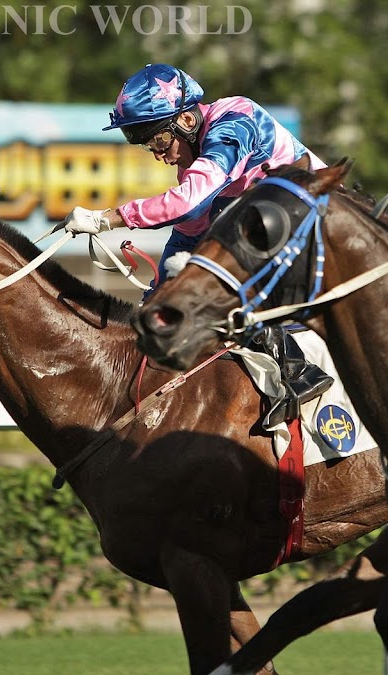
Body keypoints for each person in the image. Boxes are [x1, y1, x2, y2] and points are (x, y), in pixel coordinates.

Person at [56, 63, 332, 425]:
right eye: (148, 146)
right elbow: (188, 232)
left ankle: (298, 371)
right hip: (279, 236)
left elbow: (188, 202)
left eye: (158, 141)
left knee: (220, 279)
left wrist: (107, 218)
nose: (158, 154)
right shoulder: (193, 164)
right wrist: (154, 297)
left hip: (325, 225)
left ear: (187, 121)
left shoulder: (236, 119)